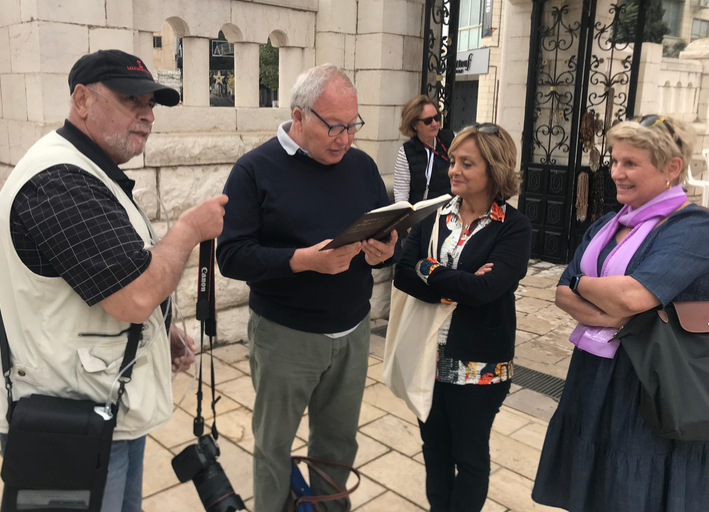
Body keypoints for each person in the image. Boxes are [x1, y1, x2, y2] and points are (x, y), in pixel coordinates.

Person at [0, 49, 228, 512]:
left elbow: (100, 277)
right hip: (67, 419)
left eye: (152, 104)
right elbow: (135, 296)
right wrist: (188, 231)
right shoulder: (60, 181)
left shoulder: (85, 170)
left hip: (100, 406)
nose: (147, 116)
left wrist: (159, 334)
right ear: (82, 100)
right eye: (132, 101)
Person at [216, 64, 400, 511]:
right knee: (274, 444)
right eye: (334, 126)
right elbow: (232, 256)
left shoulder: (361, 166)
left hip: (353, 331)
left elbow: (388, 229)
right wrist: (303, 261)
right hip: (285, 335)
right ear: (299, 117)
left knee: (338, 445)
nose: (345, 138)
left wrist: (388, 248)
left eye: (352, 125)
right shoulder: (253, 170)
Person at [532, 115, 709, 512]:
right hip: (593, 373)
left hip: (649, 383)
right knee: (592, 485)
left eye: (630, 163)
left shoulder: (693, 228)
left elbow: (630, 298)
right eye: (614, 161)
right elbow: (562, 291)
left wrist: (584, 284)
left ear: (672, 168)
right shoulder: (607, 225)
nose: (616, 173)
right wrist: (591, 296)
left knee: (632, 487)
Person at [393, 123, 531, 512]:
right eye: (453, 160)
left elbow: (487, 291)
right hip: (428, 356)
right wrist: (456, 281)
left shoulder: (514, 228)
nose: (453, 169)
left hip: (480, 364)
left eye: (467, 163)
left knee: (469, 457)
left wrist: (430, 269)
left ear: (495, 169)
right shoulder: (435, 214)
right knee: (434, 449)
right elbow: (403, 272)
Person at [393, 95, 456, 204]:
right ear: (414, 125)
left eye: (436, 118)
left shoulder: (451, 139)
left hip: (449, 212)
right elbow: (401, 195)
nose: (434, 124)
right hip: (422, 216)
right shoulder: (406, 152)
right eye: (428, 121)